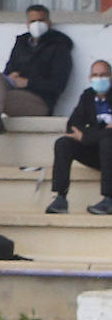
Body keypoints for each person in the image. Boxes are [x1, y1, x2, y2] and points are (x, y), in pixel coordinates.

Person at [0, 5, 73, 166]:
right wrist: (10, 77)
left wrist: (28, 82)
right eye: (33, 21)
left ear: (49, 22)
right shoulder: (21, 43)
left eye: (41, 20)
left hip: (40, 102)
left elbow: (58, 84)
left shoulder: (59, 47)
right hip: (16, 95)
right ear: (27, 24)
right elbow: (7, 71)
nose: (37, 24)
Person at [47, 59, 112, 215]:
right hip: (96, 153)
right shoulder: (88, 96)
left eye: (103, 75)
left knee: (107, 142)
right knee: (63, 143)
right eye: (95, 75)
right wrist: (93, 135)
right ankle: (60, 198)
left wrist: (86, 135)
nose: (99, 78)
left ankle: (109, 200)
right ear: (90, 78)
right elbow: (72, 126)